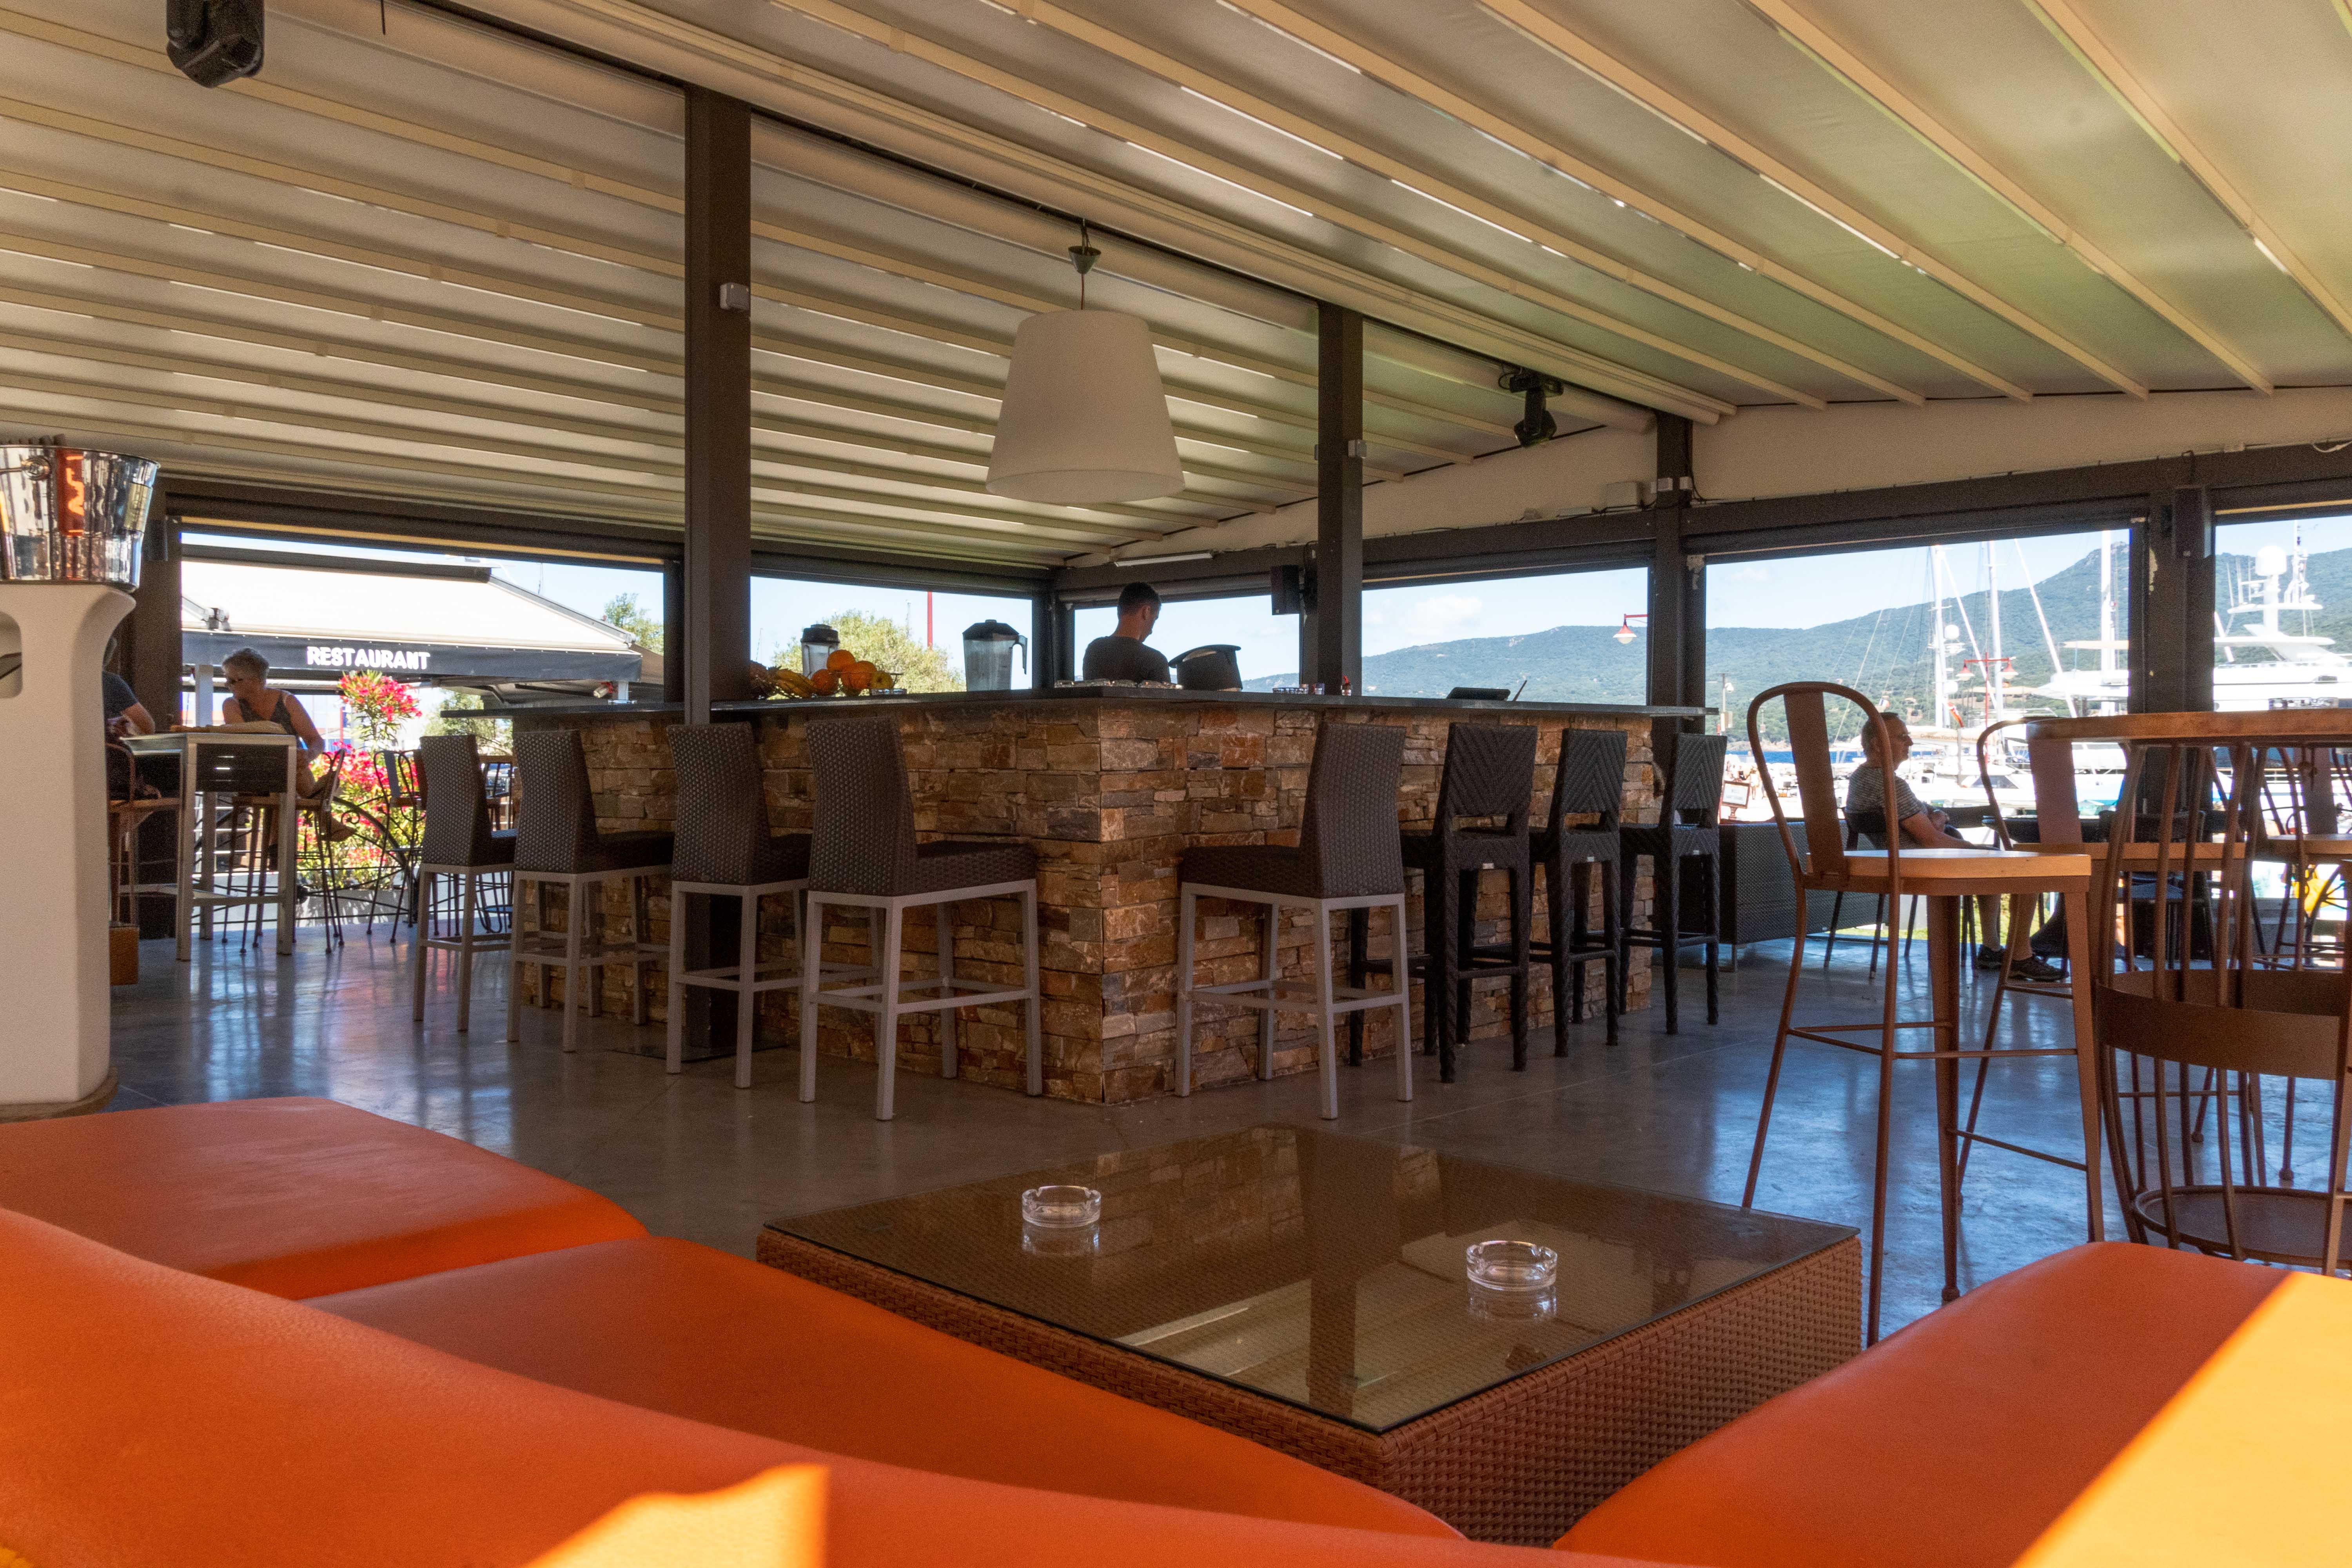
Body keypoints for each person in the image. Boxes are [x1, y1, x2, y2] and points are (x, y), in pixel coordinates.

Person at [1846, 715, 2062, 983]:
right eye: (1902, 737)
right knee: (2028, 868)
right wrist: (1975, 848)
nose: (1910, 742)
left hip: (1909, 857)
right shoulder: (1889, 784)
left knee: (1995, 860)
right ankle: (2019, 956)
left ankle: (1992, 949)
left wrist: (1936, 818)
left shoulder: (1863, 778)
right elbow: (1931, 840)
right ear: (1877, 744)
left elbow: (1928, 814)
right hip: (1922, 860)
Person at [219, 648, 354, 841]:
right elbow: (248, 741)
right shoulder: (232, 705)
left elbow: (315, 740)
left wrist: (308, 755)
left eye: (233, 681)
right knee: (289, 769)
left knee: (289, 774)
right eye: (228, 680)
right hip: (253, 773)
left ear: (255, 680)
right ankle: (322, 810)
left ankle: (277, 850)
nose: (228, 685)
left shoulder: (286, 701)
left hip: (288, 775)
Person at [1080, 581, 1170, 683]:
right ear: (1146, 612)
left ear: (1120, 611)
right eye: (1155, 619)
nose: (1151, 632)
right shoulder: (1156, 661)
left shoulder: (1093, 650)